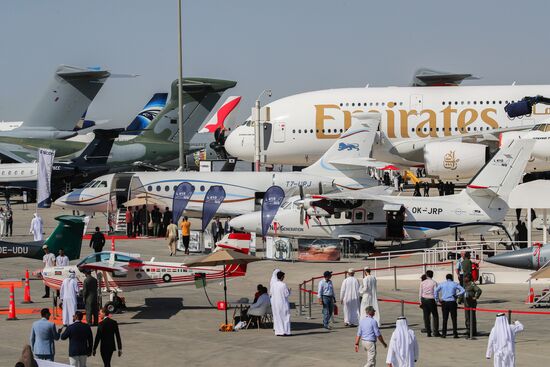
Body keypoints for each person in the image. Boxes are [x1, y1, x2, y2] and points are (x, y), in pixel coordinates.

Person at [434, 273, 465, 338]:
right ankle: (455, 334)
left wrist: (437, 299)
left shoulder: (442, 284)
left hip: (444, 302)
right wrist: (457, 294)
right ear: (452, 278)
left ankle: (444, 334)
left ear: (446, 278)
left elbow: (435, 291)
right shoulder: (455, 283)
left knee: (445, 319)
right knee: (454, 319)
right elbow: (463, 290)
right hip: (452, 302)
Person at [459, 274, 482, 338]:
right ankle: (468, 330)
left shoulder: (472, 284)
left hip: (471, 304)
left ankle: (473, 331)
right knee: (467, 317)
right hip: (466, 304)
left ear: (468, 278)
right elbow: (463, 292)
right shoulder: (465, 285)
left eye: (465, 278)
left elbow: (479, 290)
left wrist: (476, 297)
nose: (464, 279)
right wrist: (460, 300)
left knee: (472, 317)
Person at [419, 270, 440, 337]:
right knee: (435, 316)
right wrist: (437, 301)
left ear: (426, 275)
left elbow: (420, 293)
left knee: (426, 316)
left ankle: (428, 332)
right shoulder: (434, 282)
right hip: (431, 300)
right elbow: (435, 293)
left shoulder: (422, 283)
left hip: (424, 299)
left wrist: (420, 301)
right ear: (432, 275)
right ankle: (435, 331)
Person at [270, 271, 291, 336]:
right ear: (282, 277)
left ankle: (279, 331)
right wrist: (289, 291)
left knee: (278, 318)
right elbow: (286, 294)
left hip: (276, 303)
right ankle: (286, 332)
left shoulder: (274, 284)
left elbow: (271, 293)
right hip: (283, 303)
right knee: (286, 317)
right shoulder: (283, 285)